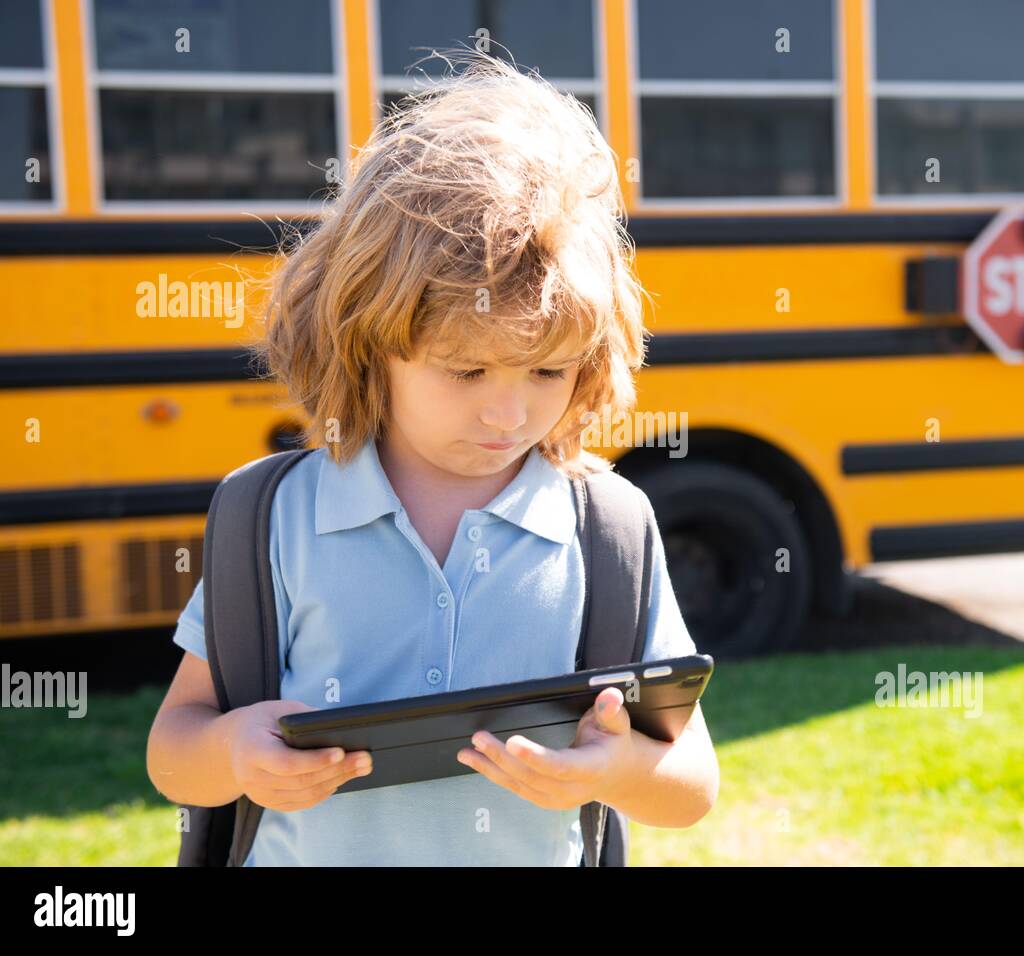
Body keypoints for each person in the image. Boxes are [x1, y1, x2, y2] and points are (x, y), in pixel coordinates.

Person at [145, 49, 718, 866]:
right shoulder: (274, 519)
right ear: (367, 344)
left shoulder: (608, 531)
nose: (507, 410)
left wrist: (617, 767)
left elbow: (691, 783)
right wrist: (237, 752)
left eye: (548, 371)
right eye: (465, 370)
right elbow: (174, 752)